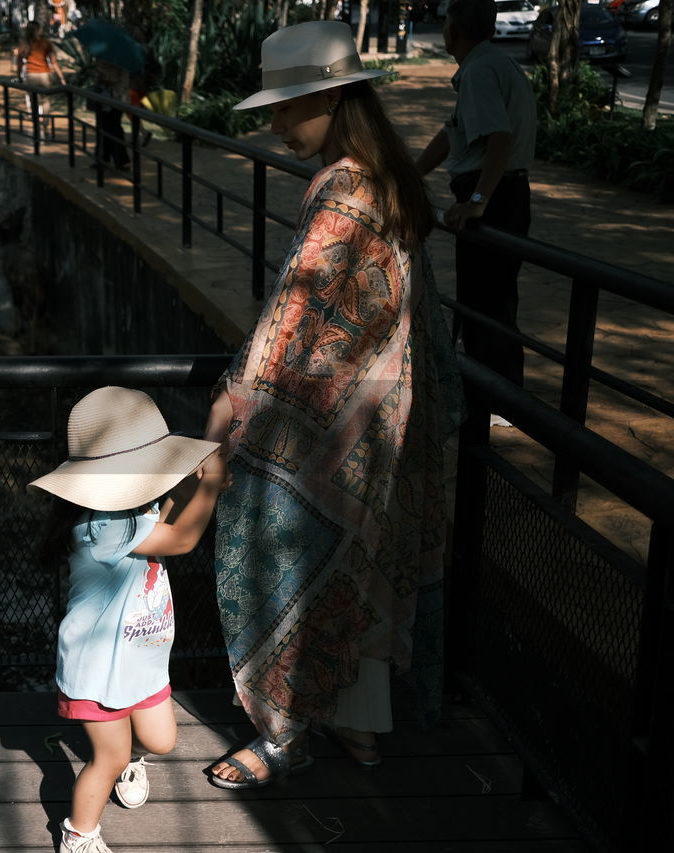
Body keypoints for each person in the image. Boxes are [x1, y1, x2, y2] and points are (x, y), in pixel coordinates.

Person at [203, 20, 460, 789]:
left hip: (333, 423)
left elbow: (291, 312)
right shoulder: (390, 179)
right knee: (363, 568)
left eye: (288, 108)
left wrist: (231, 405)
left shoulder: (341, 190)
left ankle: (283, 733)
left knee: (286, 556)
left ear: (335, 98)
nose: (277, 124)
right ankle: (362, 729)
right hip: (389, 413)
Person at [31, 387, 225, 853]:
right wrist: (211, 481)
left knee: (160, 742)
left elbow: (169, 512)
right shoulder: (103, 525)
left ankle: (129, 760)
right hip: (98, 671)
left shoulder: (131, 504)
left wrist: (192, 483)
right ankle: (79, 833)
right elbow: (180, 539)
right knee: (108, 756)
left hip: (140, 660)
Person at [417, 0, 535, 390]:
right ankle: (493, 388)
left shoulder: (480, 72)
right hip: (503, 192)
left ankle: (499, 395)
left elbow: (499, 139)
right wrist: (408, 174)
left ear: (453, 32)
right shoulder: (487, 64)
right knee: (488, 298)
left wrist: (479, 201)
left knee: (489, 302)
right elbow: (453, 134)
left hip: (495, 196)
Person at [15, 21, 66, 134]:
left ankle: (36, 126)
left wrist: (19, 76)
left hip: (31, 75)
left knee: (34, 102)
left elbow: (19, 62)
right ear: (38, 30)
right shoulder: (45, 43)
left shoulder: (24, 44)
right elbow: (53, 62)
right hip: (44, 74)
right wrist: (61, 77)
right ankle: (46, 124)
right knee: (45, 101)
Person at [89, 61, 131, 171]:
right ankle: (105, 158)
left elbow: (115, 79)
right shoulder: (110, 58)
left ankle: (120, 160)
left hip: (114, 99)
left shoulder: (119, 62)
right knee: (106, 128)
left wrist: (102, 75)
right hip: (109, 99)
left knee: (113, 129)